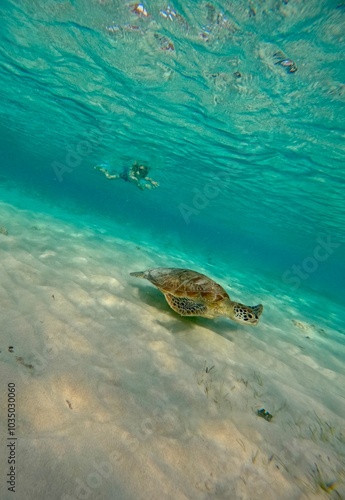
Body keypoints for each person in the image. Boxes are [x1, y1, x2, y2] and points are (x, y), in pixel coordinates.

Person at [94, 161, 159, 190]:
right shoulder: (134, 173)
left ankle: (144, 185)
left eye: (143, 172)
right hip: (125, 175)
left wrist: (152, 181)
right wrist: (141, 184)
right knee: (109, 177)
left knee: (142, 188)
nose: (141, 173)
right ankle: (104, 170)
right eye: (140, 170)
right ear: (137, 169)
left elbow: (147, 178)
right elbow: (134, 180)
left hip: (132, 180)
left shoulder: (142, 175)